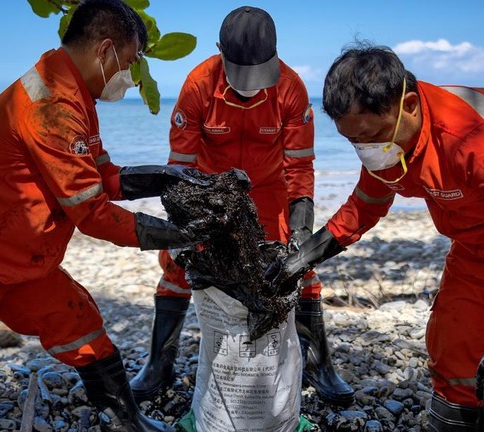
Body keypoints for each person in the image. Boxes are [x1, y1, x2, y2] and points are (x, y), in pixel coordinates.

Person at [0, 1, 216, 431]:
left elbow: (101, 176)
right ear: (105, 51)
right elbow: (92, 214)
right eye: (128, 63)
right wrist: (182, 234)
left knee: (80, 322)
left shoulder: (72, 94)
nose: (129, 75)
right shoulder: (51, 106)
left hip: (16, 258)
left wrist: (170, 177)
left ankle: (129, 424)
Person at [266, 42, 484, 431]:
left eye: (373, 136)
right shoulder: (388, 143)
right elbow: (366, 203)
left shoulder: (483, 138)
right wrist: (304, 257)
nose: (366, 150)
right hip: (478, 240)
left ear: (409, 106)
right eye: (354, 142)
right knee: (455, 344)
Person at [128, 5, 355, 407]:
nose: (251, 84)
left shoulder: (291, 88)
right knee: (177, 267)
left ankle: (321, 367)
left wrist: (302, 230)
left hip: (269, 190)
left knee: (301, 269)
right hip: (209, 190)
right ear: (219, 50)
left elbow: (300, 166)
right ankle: (158, 365)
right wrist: (181, 226)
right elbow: (179, 166)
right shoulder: (198, 84)